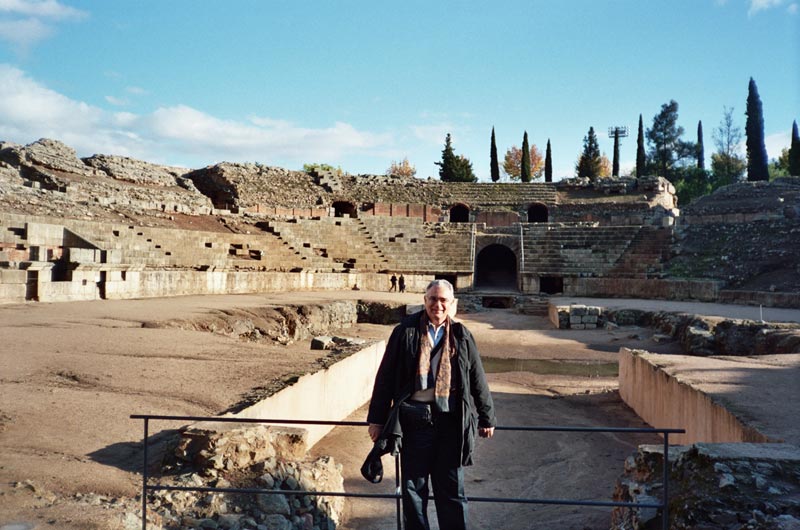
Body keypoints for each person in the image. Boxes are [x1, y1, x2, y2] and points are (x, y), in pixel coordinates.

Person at [367, 279, 496, 530]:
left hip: (450, 422)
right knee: (414, 490)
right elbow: (385, 377)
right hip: (414, 421)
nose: (438, 305)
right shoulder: (405, 331)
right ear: (425, 301)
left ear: (452, 304)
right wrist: (377, 419)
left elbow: (476, 376)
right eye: (433, 299)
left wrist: (486, 417)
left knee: (451, 489)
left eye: (443, 300)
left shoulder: (461, 335)